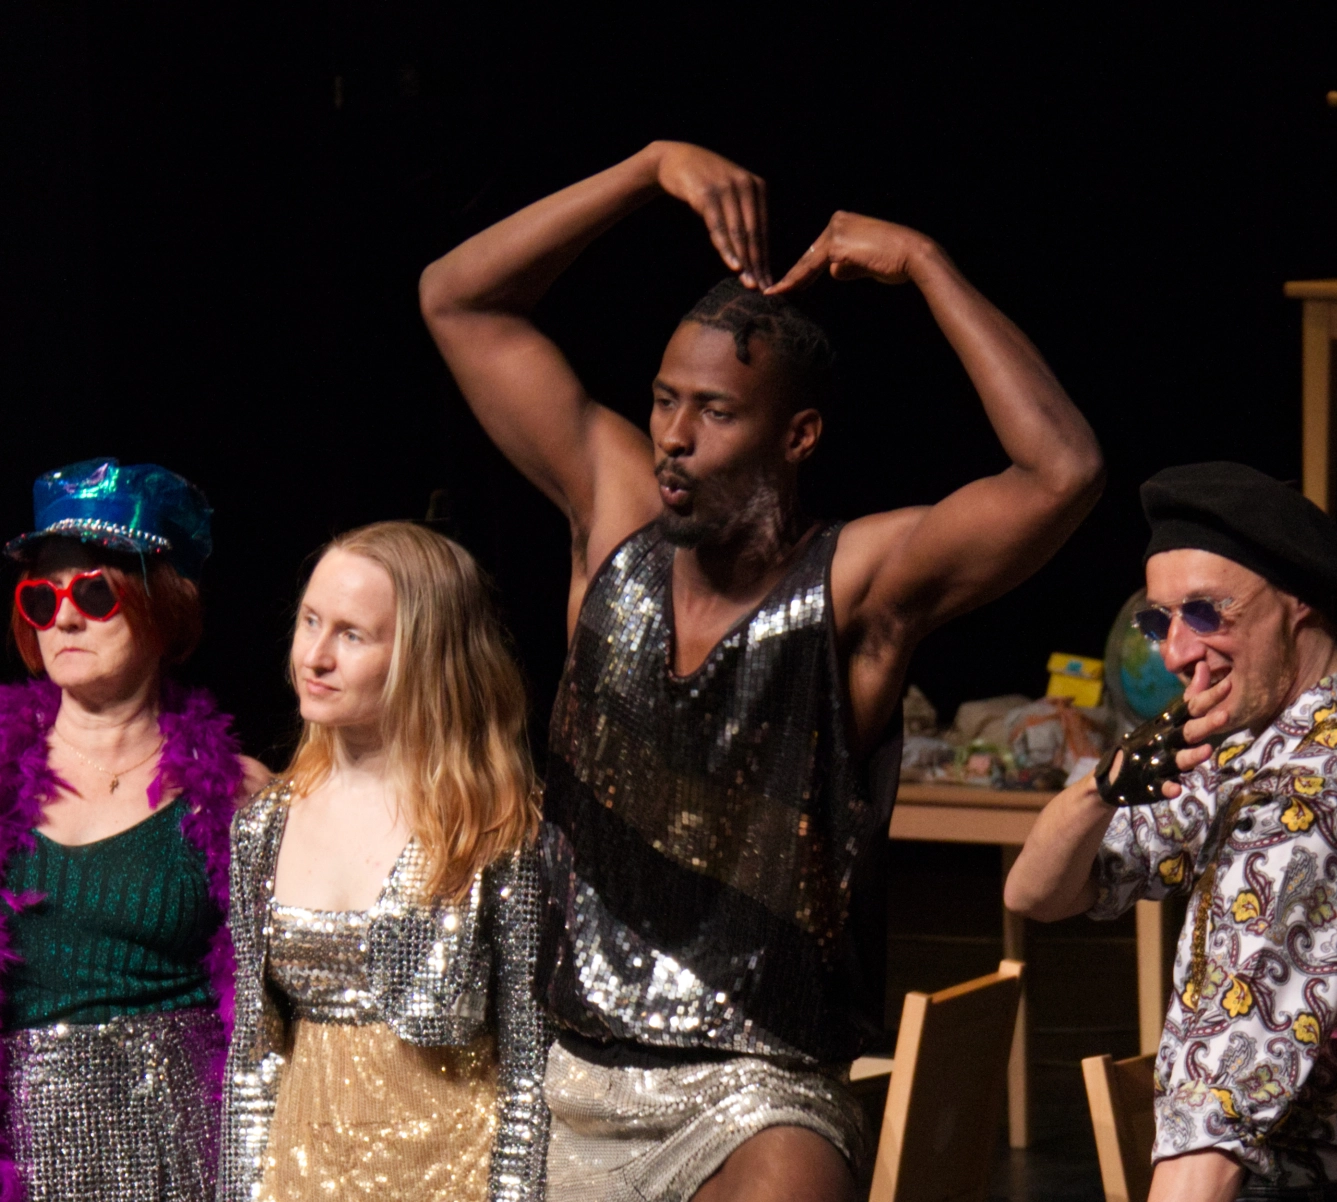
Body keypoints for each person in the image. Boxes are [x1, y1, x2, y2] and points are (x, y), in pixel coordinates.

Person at [418, 139, 1102, 1201]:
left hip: (757, 1091)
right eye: (663, 401)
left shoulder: (853, 587)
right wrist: (646, 170)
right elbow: (455, 298)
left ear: (799, 435)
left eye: (716, 411)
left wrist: (926, 263)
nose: (673, 436)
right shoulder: (615, 520)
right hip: (571, 1075)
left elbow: (1062, 470)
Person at [1005, 462, 1337, 1202]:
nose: (1175, 653)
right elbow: (1036, 893)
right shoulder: (1269, 751)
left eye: (1207, 613)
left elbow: (1210, 1142)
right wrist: (1105, 787)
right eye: (1161, 622)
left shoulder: (1309, 803)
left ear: (1298, 600)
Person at [219, 522, 547, 1202]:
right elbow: (253, 1059)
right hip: (301, 1177)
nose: (315, 656)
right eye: (310, 621)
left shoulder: (491, 827)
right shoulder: (263, 826)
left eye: (352, 634)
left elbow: (529, 1065)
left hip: (451, 1176)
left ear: (423, 655)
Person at [0, 457, 265, 1201]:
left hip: (182, 1160)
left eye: (93, 592)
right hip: (29, 1163)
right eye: (40, 598)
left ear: (163, 604)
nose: (65, 619)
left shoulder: (238, 793)